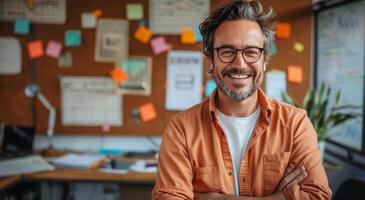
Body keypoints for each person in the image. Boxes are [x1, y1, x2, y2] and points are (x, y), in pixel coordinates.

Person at [152, 0, 332, 199]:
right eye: (227, 51)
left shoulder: (295, 124)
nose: (239, 63)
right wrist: (281, 197)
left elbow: (318, 196)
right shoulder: (182, 129)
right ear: (212, 59)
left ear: (264, 61)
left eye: (251, 52)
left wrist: (209, 197)